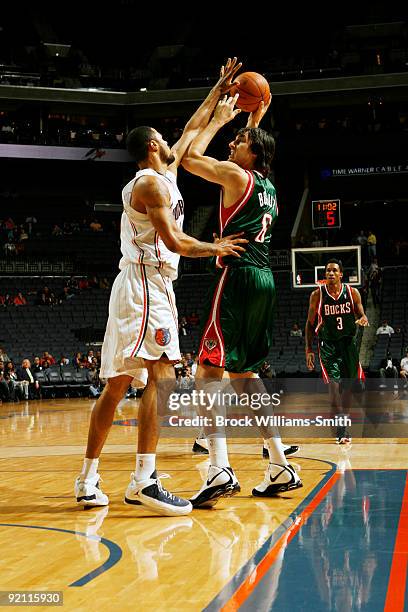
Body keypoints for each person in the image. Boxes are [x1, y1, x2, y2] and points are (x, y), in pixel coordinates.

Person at [74, 58, 247, 517]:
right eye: (166, 140)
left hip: (139, 286)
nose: (175, 142)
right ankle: (144, 480)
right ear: (154, 146)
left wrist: (217, 89)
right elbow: (173, 241)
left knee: (115, 387)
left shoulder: (164, 174)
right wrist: (215, 247)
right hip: (146, 284)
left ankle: (88, 481)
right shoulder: (151, 185)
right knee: (163, 378)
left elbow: (193, 126)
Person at [182, 93, 302, 505]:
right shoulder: (268, 186)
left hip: (238, 278)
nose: (232, 144)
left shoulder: (236, 175)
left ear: (253, 153)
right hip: (265, 278)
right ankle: (279, 462)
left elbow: (189, 158)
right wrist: (255, 118)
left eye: (239, 142)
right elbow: (257, 143)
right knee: (246, 375)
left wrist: (215, 121)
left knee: (206, 374)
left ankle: (218, 467)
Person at [305, 260, 369, 443]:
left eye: (334, 270)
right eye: (327, 271)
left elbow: (361, 313)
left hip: (348, 345)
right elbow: (310, 325)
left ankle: (342, 422)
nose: (330, 273)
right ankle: (341, 429)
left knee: (348, 388)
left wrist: (363, 318)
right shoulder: (317, 295)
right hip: (328, 346)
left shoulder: (352, 292)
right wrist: (308, 349)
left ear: (341, 274)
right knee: (333, 387)